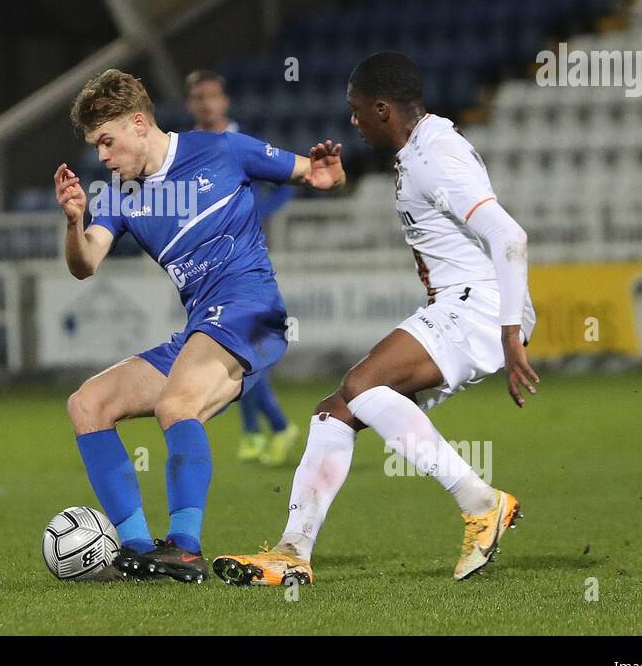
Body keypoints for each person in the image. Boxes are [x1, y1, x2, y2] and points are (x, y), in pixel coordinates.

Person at [212, 51, 540, 585]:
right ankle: (293, 551)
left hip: (476, 305)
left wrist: (509, 330)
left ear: (383, 109)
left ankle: (481, 502)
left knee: (362, 384)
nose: (353, 120)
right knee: (334, 411)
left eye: (357, 109)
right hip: (460, 305)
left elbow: (509, 236)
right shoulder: (425, 146)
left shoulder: (435, 157)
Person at [54, 68, 345, 582]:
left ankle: (184, 547)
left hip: (250, 309)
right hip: (202, 326)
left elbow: (317, 174)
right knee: (87, 404)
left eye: (106, 141)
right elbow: (85, 264)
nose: (101, 156)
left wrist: (328, 174)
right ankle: (143, 550)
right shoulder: (119, 194)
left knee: (176, 403)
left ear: (139, 124)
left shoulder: (223, 149)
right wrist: (74, 221)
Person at [185, 69, 300, 466]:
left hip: (245, 263)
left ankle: (276, 427)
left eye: (211, 96)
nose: (205, 104)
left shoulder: (241, 144)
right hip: (207, 266)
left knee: (237, 350)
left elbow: (286, 180)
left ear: (225, 101)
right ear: (190, 105)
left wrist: (259, 212)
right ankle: (256, 431)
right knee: (232, 352)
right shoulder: (188, 148)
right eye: (198, 98)